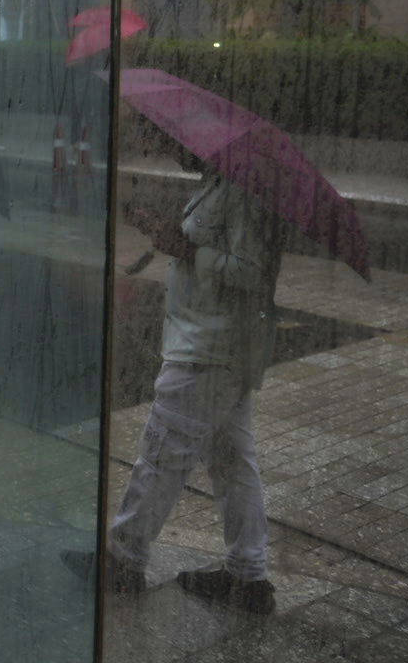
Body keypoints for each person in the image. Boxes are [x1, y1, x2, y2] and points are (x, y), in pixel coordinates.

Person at [69, 156, 285, 614]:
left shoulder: (243, 192)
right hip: (211, 345)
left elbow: (252, 271)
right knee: (232, 462)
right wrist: (168, 235)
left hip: (210, 349)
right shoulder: (220, 183)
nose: (180, 150)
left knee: (162, 455)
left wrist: (185, 249)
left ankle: (122, 559)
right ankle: (248, 577)